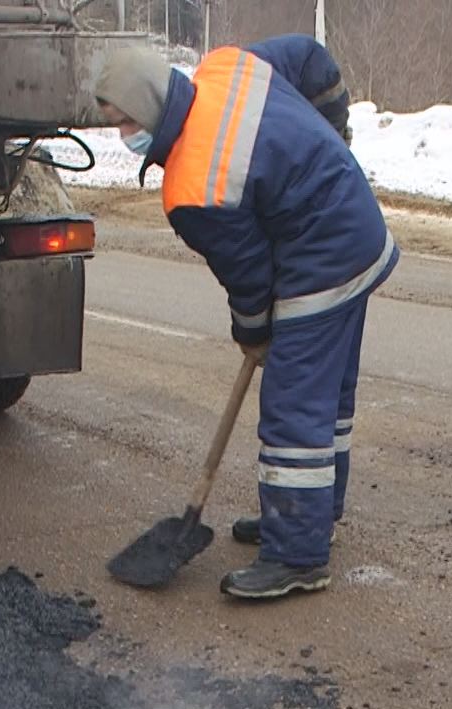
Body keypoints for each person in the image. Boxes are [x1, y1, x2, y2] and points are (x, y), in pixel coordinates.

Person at [95, 36, 392, 600]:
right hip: (358, 226)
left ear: (152, 106)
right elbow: (310, 57)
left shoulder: (192, 187)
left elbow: (251, 278)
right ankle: (309, 513)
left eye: (125, 121)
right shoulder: (227, 67)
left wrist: (254, 334)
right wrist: (335, 132)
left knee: (293, 403)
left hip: (322, 257)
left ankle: (298, 556)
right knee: (326, 396)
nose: (124, 137)